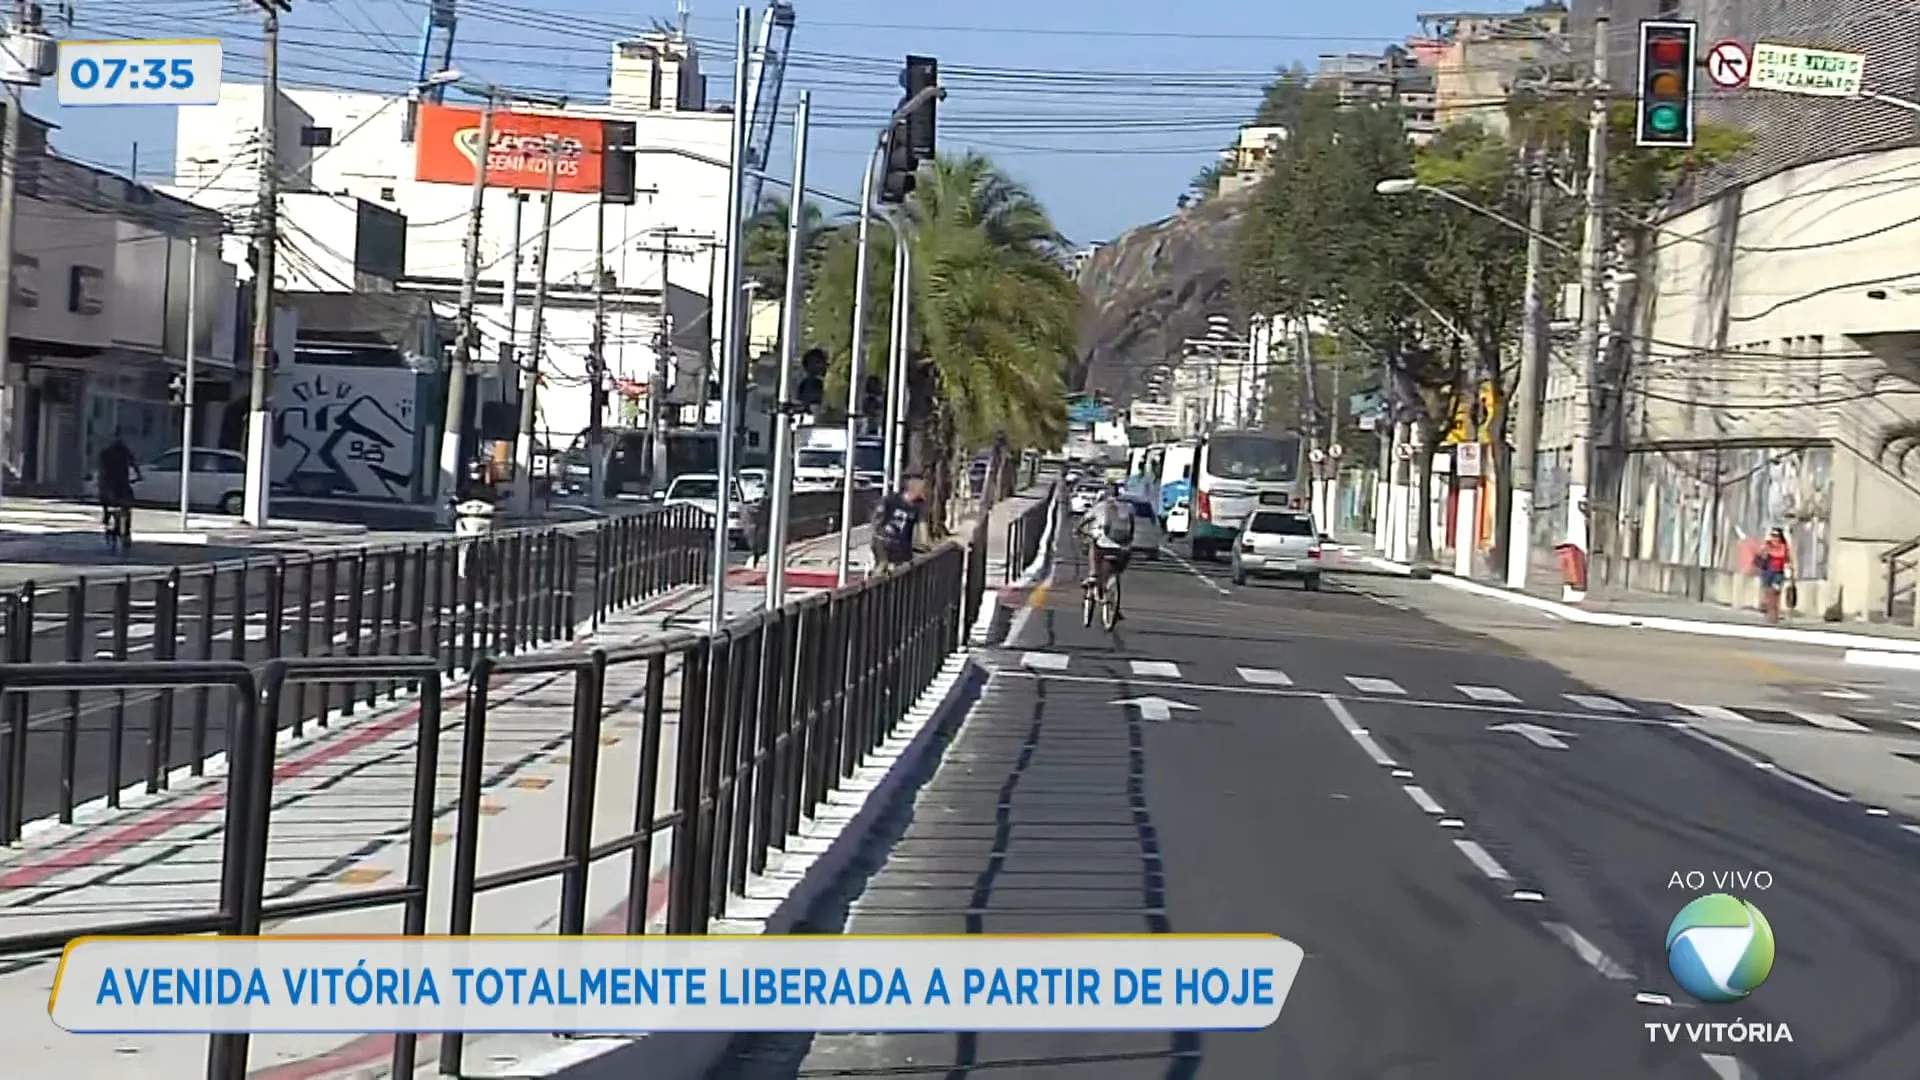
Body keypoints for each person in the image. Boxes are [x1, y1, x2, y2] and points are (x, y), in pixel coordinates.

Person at [1077, 481, 1134, 615]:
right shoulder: (1127, 507)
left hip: (1103, 545)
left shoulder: (1100, 507)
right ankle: (1114, 582)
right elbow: (1132, 526)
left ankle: (1093, 575)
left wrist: (1077, 529)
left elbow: (1085, 519)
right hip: (1122, 547)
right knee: (1119, 565)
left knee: (1094, 545)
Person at [869, 474, 928, 574]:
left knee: (901, 571)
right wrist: (877, 532)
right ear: (913, 488)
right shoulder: (892, 500)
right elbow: (876, 519)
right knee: (883, 564)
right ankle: (874, 581)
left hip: (902, 546)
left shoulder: (919, 505)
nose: (924, 491)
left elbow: (922, 525)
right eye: (922, 488)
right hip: (884, 541)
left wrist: (925, 544)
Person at [96, 433, 139, 532]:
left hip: (109, 481)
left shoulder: (106, 452)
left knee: (106, 497)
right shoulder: (124, 450)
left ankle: (106, 514)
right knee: (127, 502)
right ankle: (126, 528)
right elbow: (133, 464)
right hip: (121, 480)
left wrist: (101, 481)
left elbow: (101, 469)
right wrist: (138, 475)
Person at [1756, 526, 1793, 623]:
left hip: (1778, 573)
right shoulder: (1767, 545)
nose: (1774, 538)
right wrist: (1765, 548)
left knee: (1775, 593)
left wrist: (1790, 571)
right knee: (1768, 594)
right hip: (1768, 572)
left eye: (1776, 536)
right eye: (1772, 535)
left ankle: (1774, 614)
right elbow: (1761, 555)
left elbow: (1787, 559)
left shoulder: (1783, 546)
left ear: (1780, 537)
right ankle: (1770, 614)